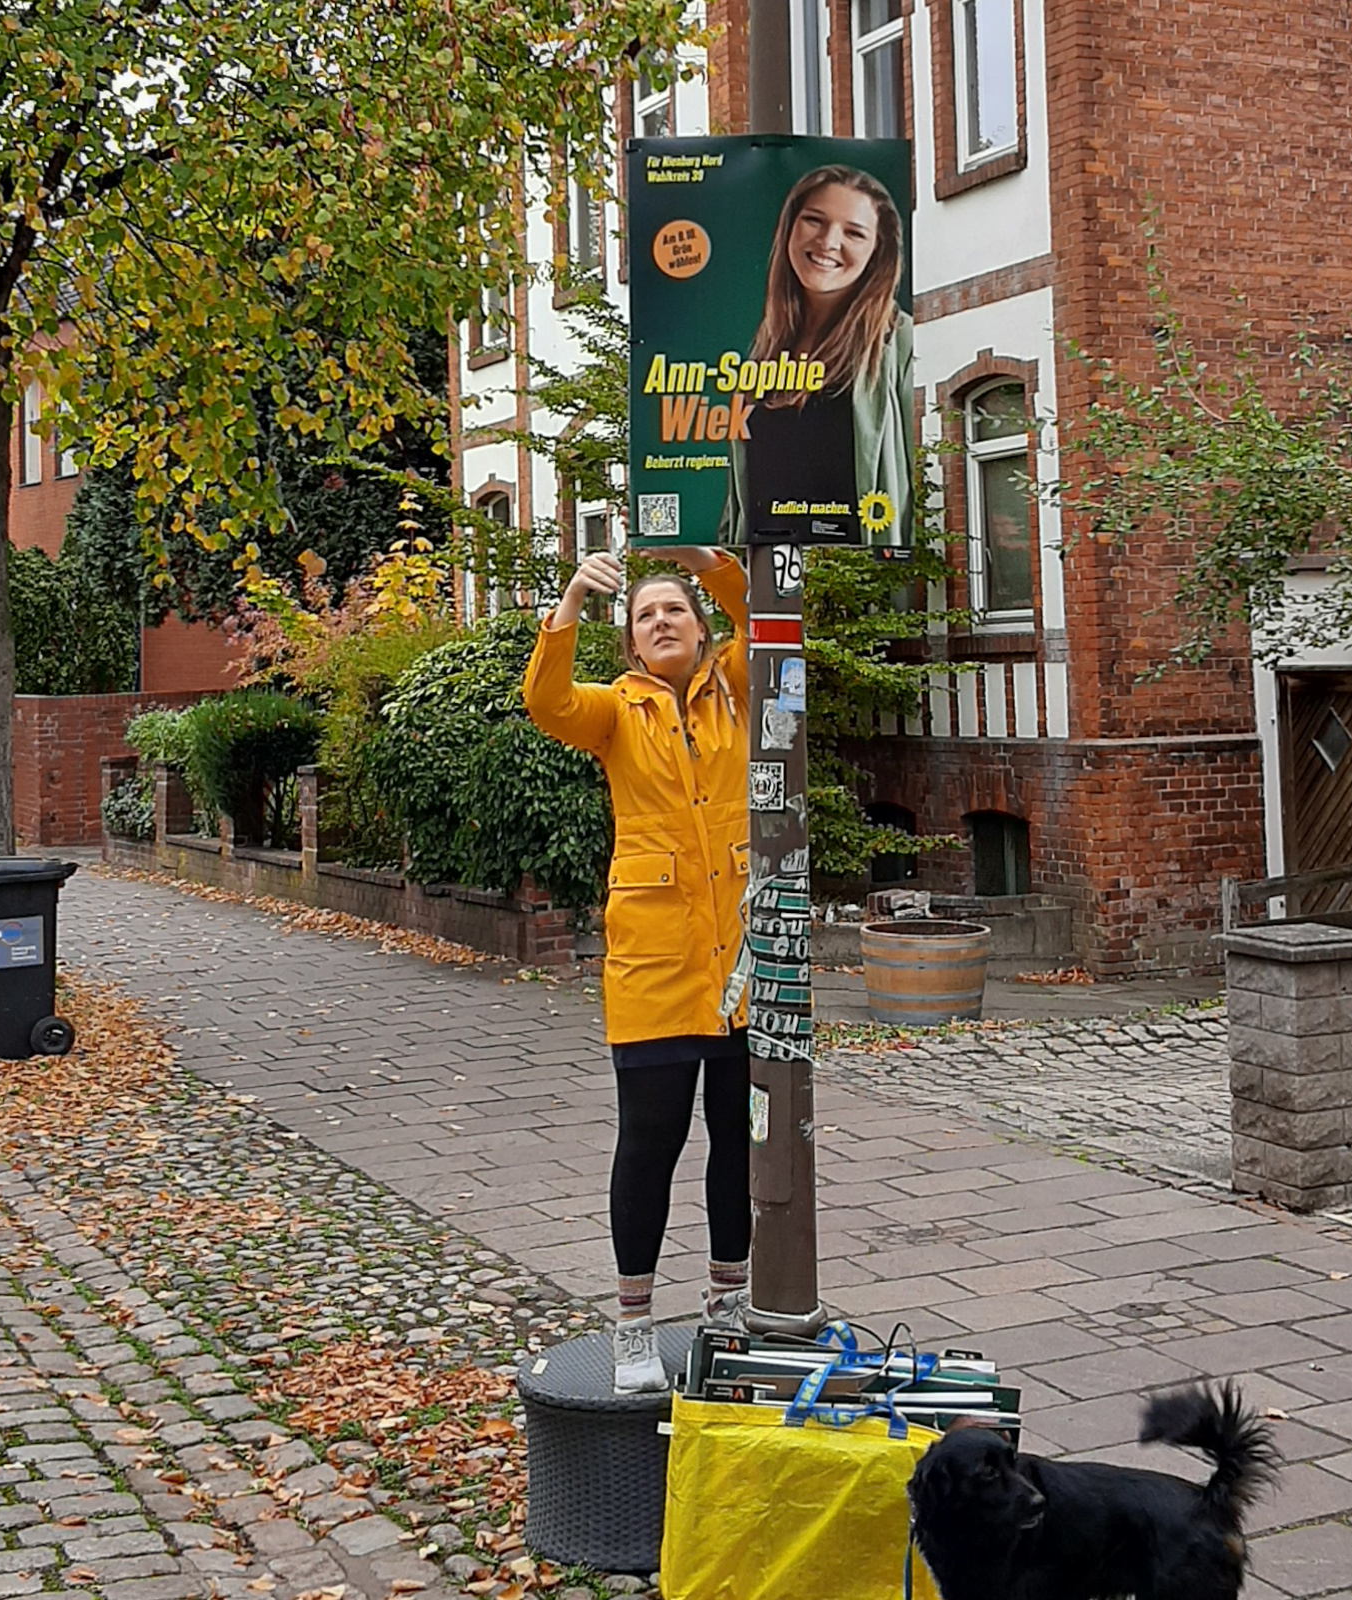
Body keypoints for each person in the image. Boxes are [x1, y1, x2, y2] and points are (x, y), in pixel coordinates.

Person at [525, 543, 752, 1393]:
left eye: (677, 610)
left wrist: (707, 559)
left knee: (738, 1141)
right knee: (650, 1143)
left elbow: (769, 623)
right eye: (646, 614)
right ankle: (633, 1324)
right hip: (654, 964)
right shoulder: (614, 711)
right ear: (631, 639)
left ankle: (728, 1306)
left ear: (699, 630)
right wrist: (573, 600)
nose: (662, 621)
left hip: (740, 962)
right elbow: (546, 702)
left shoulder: (738, 684)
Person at [715, 164, 915, 547]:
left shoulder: (897, 341)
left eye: (854, 232)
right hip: (766, 589)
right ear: (789, 228)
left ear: (878, 251)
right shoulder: (762, 353)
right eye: (814, 221)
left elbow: (920, 482)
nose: (828, 241)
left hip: (855, 592)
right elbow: (738, 508)